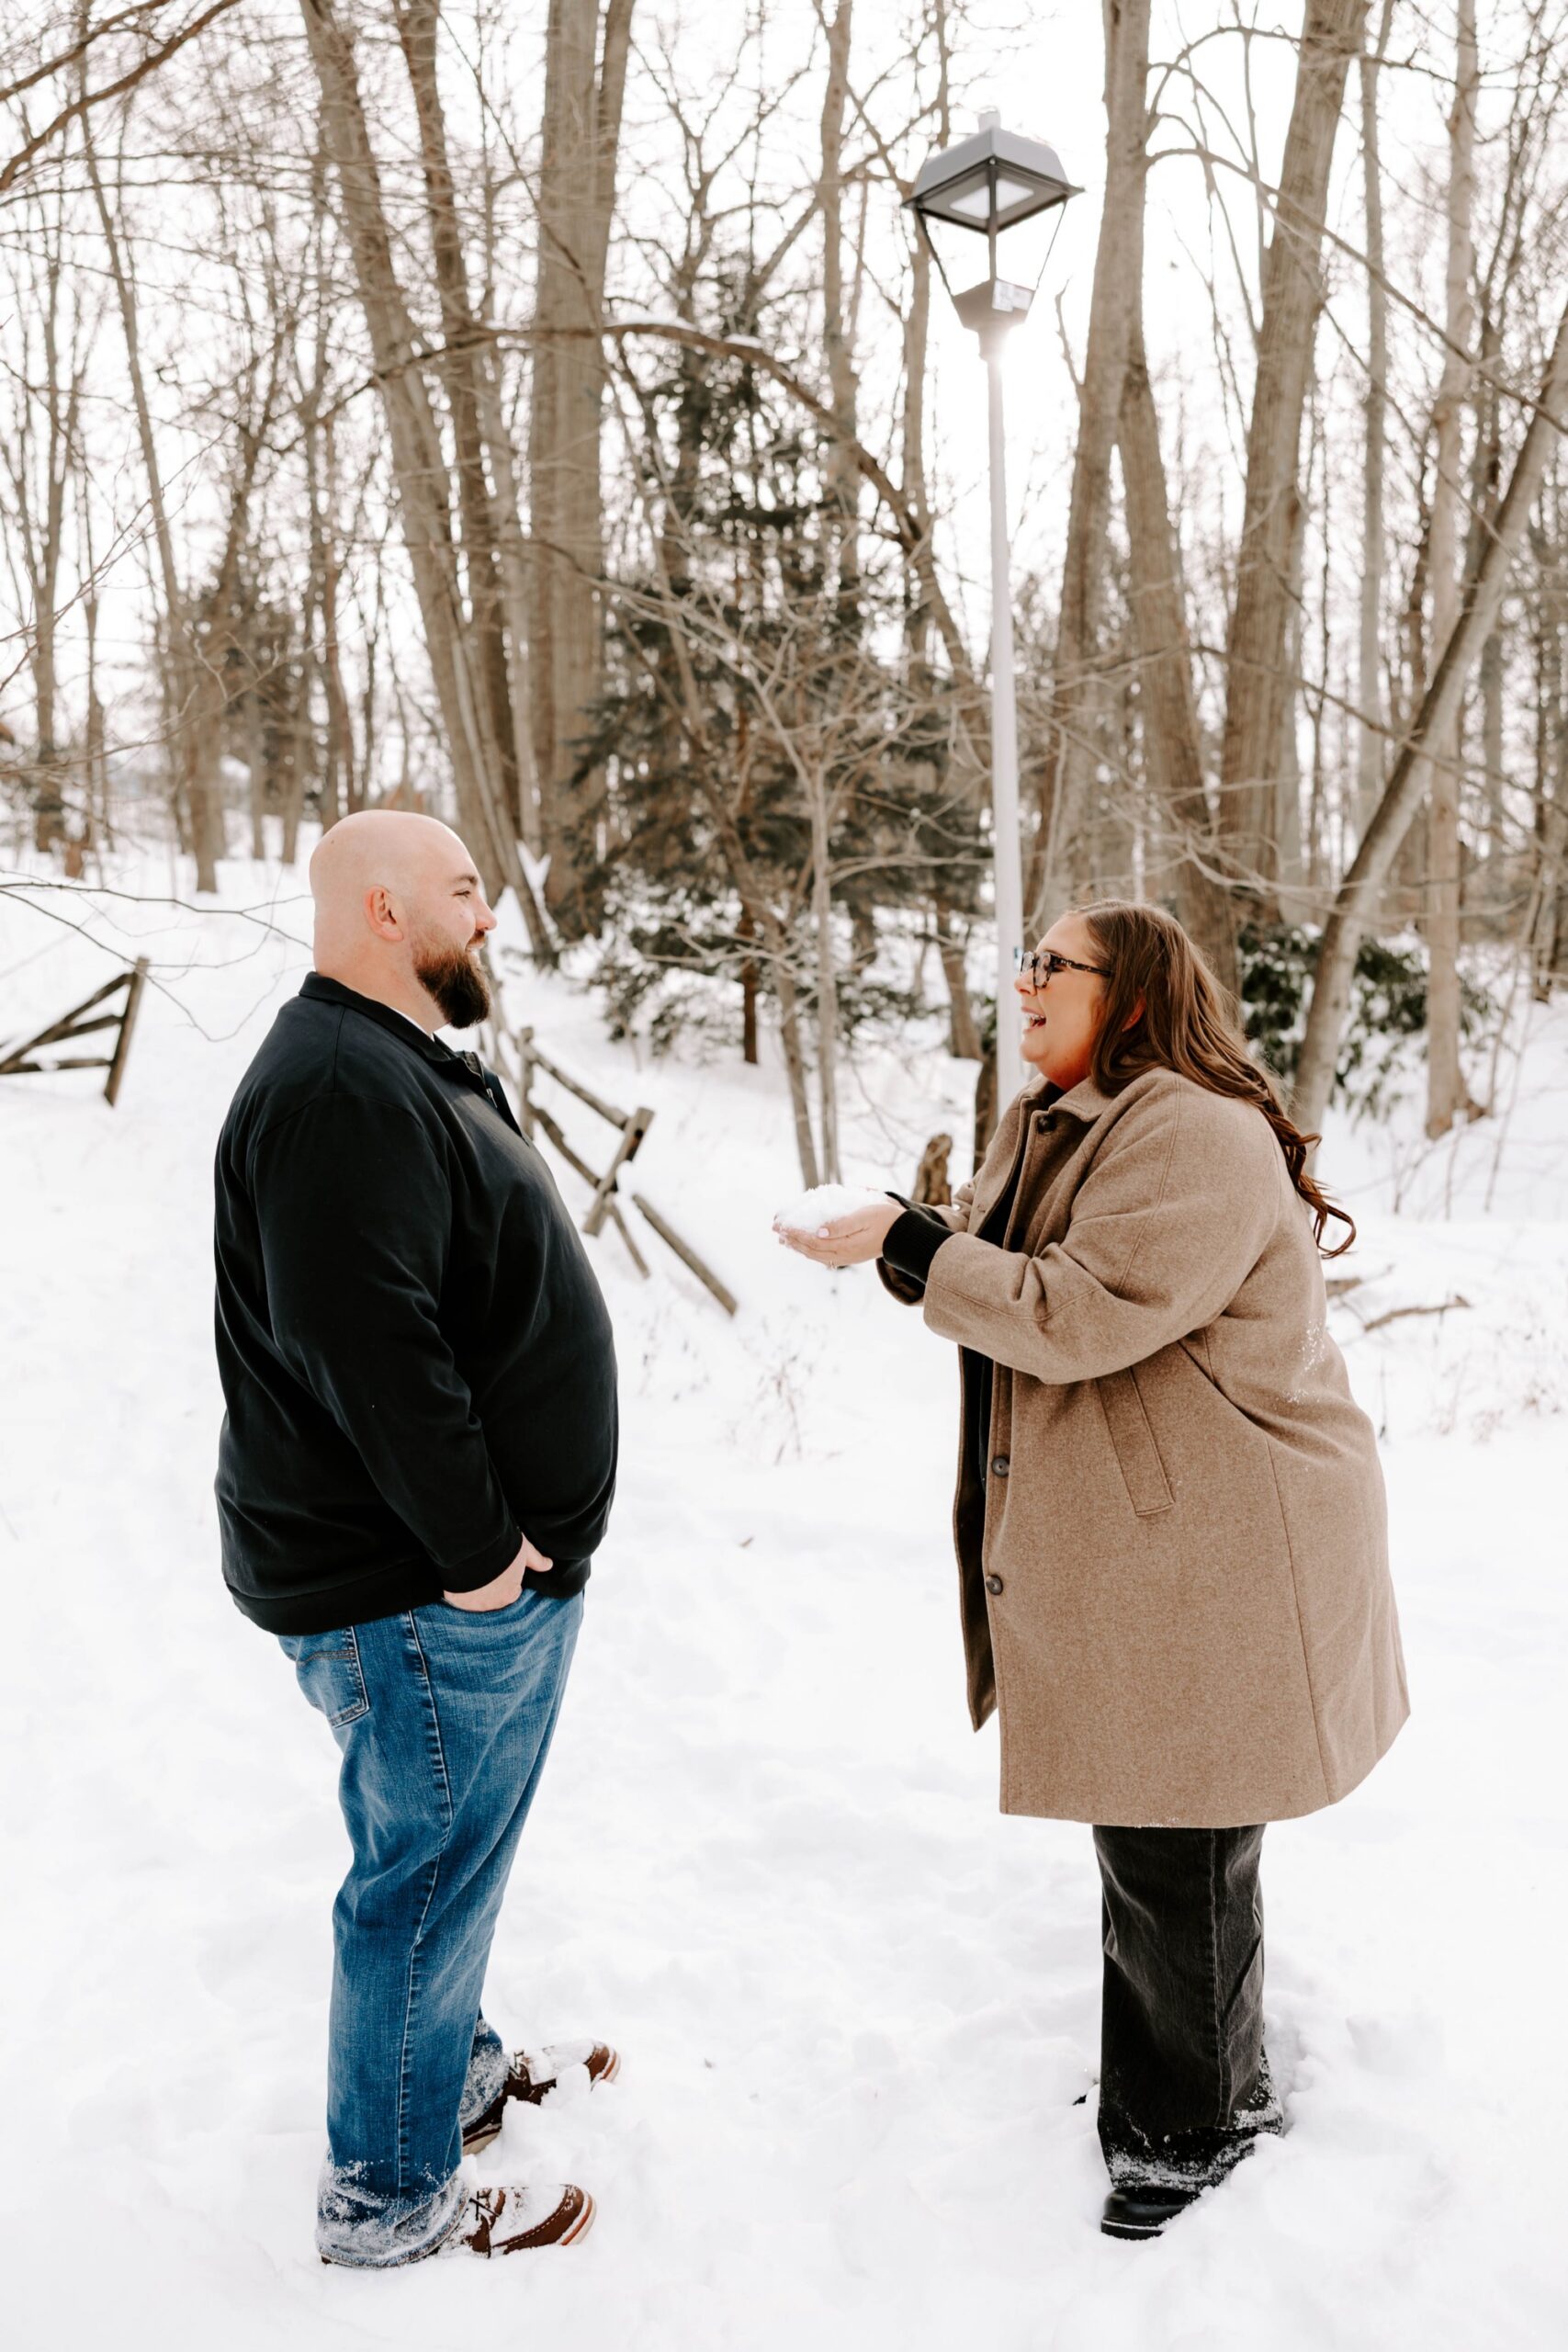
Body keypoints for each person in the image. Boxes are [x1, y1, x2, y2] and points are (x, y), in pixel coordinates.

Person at [776, 899, 1407, 2241]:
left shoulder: (1190, 1128)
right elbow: (1007, 1264)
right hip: (1166, 1532)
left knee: (1181, 1831)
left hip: (1228, 1533)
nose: (1022, 982)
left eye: (1050, 964)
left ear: (1131, 996)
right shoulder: (1073, 1116)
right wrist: (907, 1230)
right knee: (1152, 1819)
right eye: (1024, 959)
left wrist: (911, 1245)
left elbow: (1079, 1311)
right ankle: (1166, 2083)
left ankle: (1197, 2130)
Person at [214, 809, 620, 2267]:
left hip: (439, 1583)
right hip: (419, 1588)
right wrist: (481, 1560)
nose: (488, 917)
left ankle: (439, 2076)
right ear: (384, 912)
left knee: (446, 1854)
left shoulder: (383, 1065)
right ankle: (390, 2197)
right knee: (425, 1874)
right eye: (464, 891)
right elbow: (368, 1349)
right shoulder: (335, 1085)